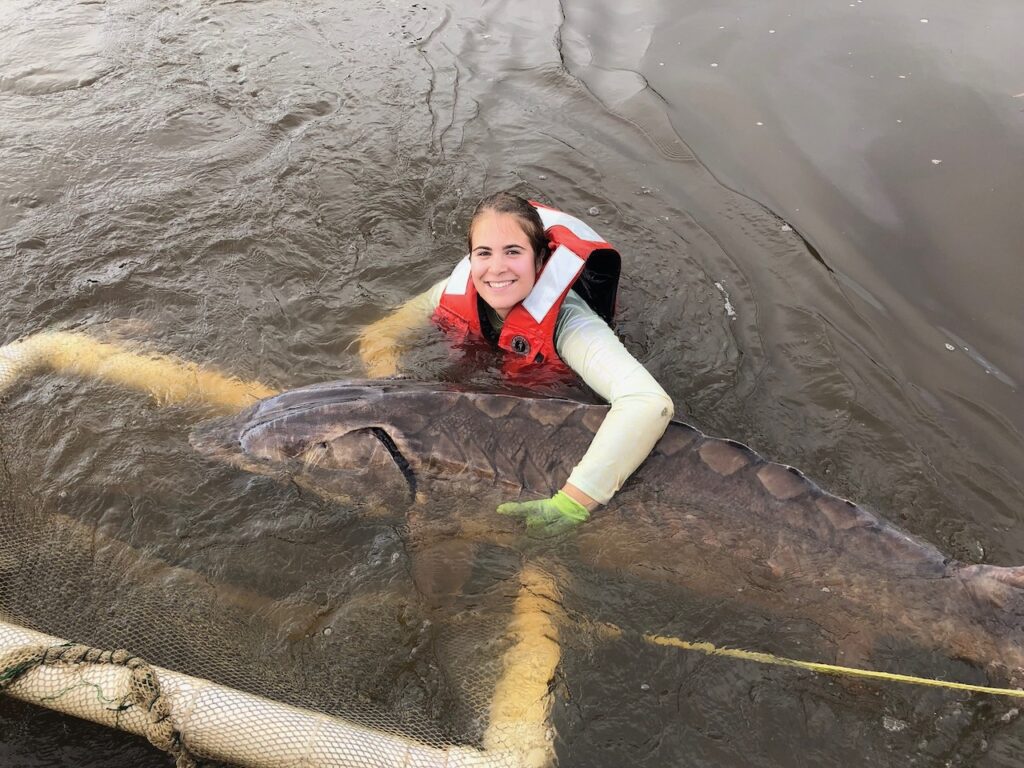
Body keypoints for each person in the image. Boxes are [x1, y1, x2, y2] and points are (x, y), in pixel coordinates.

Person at [359, 192, 673, 536]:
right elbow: (379, 335)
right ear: (471, 258)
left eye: (513, 252)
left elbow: (647, 402)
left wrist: (576, 500)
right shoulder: (453, 289)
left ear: (540, 260)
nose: (496, 269)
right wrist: (396, 394)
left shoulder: (572, 324)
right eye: (484, 253)